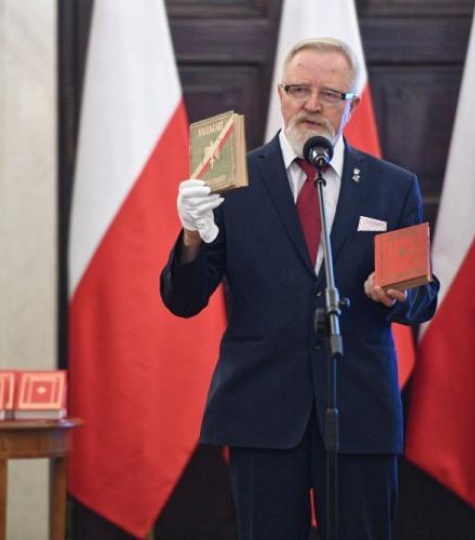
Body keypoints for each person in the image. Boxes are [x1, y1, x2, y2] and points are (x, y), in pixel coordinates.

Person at [160, 37, 439, 539]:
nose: (312, 104)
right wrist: (191, 234)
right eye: (299, 89)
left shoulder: (390, 185)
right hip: (261, 412)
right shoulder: (230, 181)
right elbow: (184, 300)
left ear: (352, 104)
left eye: (330, 94)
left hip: (358, 412)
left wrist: (398, 293)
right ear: (280, 93)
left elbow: (424, 294)